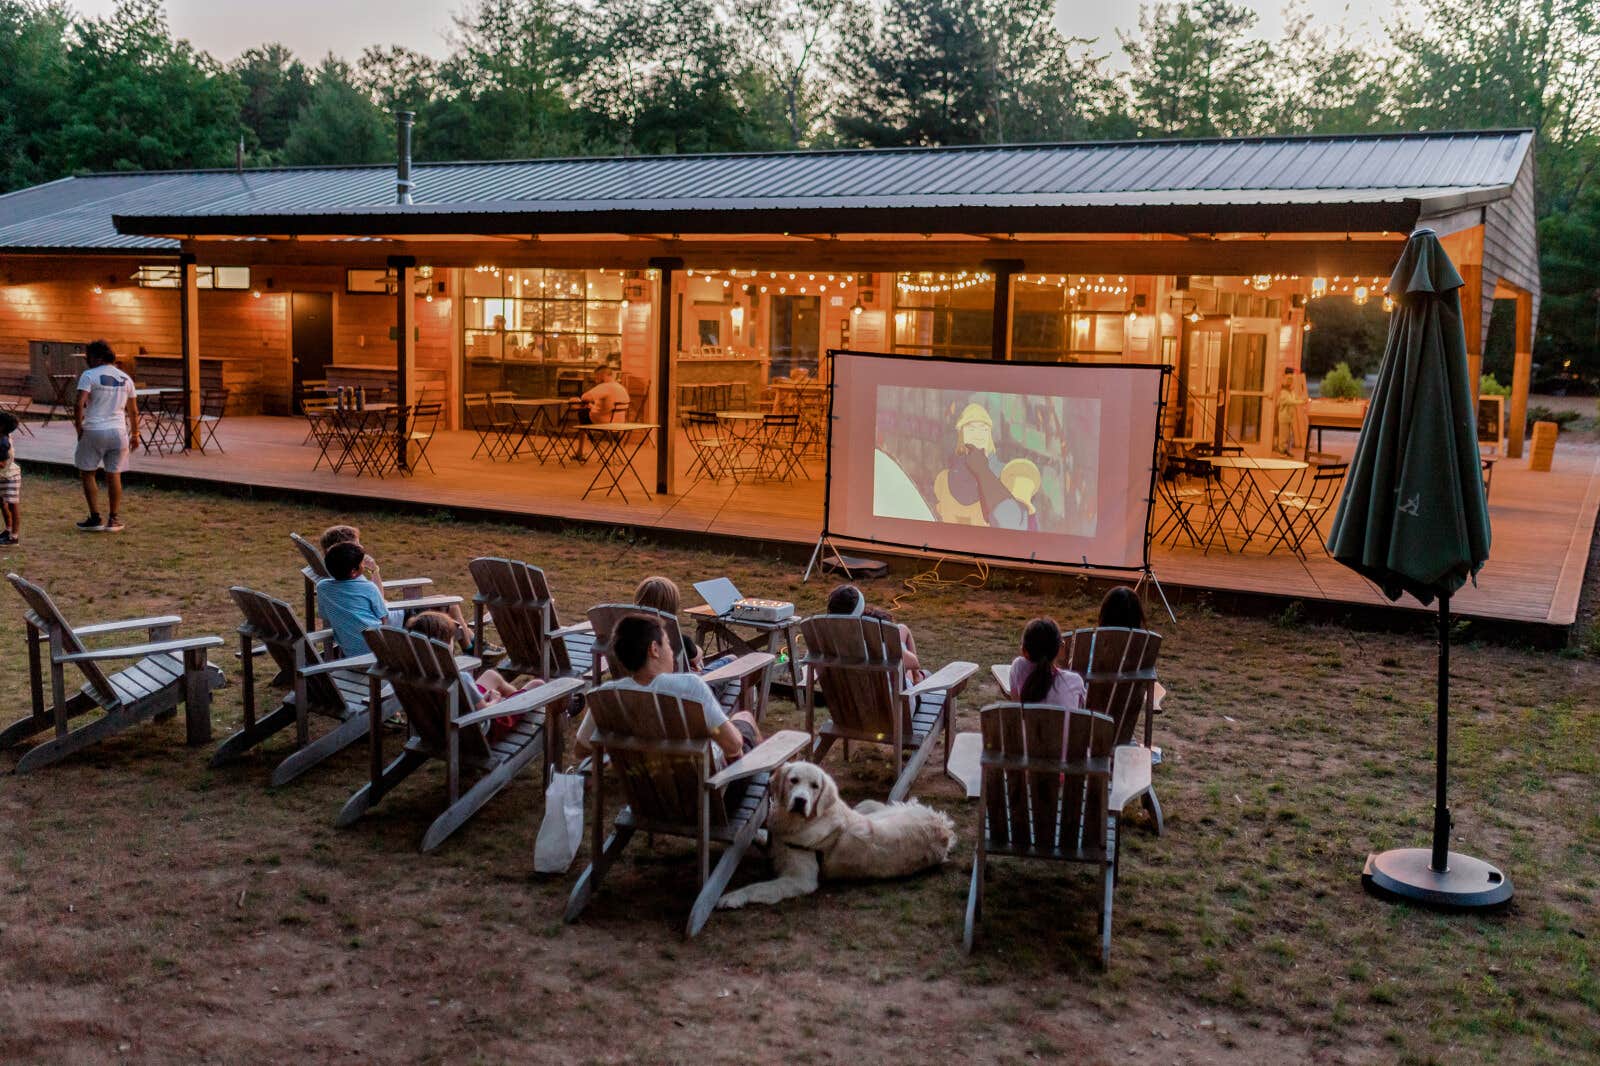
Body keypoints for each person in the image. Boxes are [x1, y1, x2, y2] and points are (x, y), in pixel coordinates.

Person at [607, 613, 761, 772]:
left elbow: (589, 748)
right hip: (700, 781)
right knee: (744, 718)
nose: (671, 652)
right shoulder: (690, 687)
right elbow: (733, 745)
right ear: (654, 649)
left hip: (639, 781)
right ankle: (764, 782)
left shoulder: (607, 695)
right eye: (667, 644)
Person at [318, 524, 500, 656]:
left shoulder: (327, 584)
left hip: (366, 638)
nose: (362, 549)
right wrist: (374, 570)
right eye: (358, 546)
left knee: (444, 601)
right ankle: (472, 649)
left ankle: (475, 643)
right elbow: (383, 616)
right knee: (449, 605)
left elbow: (327, 616)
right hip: (390, 628)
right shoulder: (361, 584)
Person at [405, 611, 543, 741]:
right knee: (538, 685)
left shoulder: (413, 674)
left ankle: (513, 700)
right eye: (452, 639)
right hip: (480, 731)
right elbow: (485, 712)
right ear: (445, 645)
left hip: (441, 728)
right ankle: (515, 706)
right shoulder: (461, 679)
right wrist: (495, 700)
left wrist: (483, 698)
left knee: (490, 675)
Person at [73, 339, 138, 533]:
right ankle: (114, 518)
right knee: (114, 474)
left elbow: (79, 403)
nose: (86, 360)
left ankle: (95, 517)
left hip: (94, 429)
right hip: (119, 431)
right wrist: (135, 433)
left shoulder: (89, 375)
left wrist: (79, 427)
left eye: (88, 357)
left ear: (97, 357)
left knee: (87, 472)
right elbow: (133, 410)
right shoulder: (126, 378)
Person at [826, 583, 923, 681]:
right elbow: (913, 663)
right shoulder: (875, 637)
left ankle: (917, 677)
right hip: (885, 688)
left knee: (902, 628)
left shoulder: (826, 638)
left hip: (846, 687)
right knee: (921, 673)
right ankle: (918, 678)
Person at [316, 541, 389, 657]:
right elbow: (384, 619)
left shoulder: (322, 587)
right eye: (362, 563)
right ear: (353, 571)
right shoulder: (369, 588)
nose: (363, 565)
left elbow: (324, 615)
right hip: (377, 651)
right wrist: (374, 570)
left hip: (351, 652)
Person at [1008, 618, 1087, 709]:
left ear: (1024, 651)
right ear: (1061, 648)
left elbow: (1016, 707)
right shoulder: (1074, 682)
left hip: (1027, 719)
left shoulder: (1018, 667)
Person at [1275, 365, 1308, 456]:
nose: (1291, 381)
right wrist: (1302, 402)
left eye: (1291, 379)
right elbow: (1290, 401)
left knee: (1288, 435)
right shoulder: (1283, 393)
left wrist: (1302, 399)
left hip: (1289, 417)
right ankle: (1281, 451)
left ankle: (1286, 450)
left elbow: (1294, 399)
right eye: (1289, 379)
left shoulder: (1290, 392)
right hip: (1284, 417)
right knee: (1283, 435)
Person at [0, 410, 20, 545]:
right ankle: (8, 530)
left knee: (13, 506)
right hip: (3, 476)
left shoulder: (3, 443)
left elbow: (2, 464)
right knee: (2, 503)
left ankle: (14, 536)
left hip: (10, 477)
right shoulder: (3, 435)